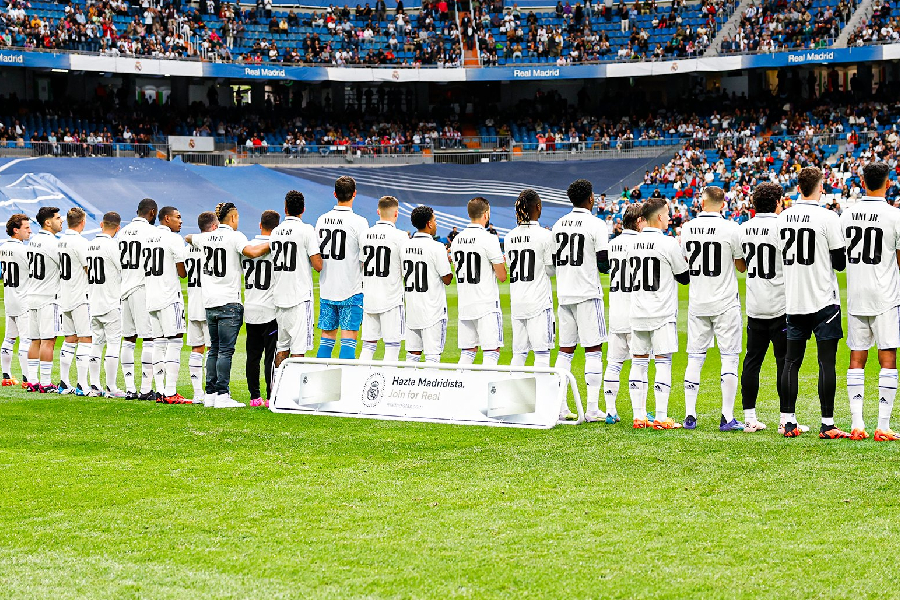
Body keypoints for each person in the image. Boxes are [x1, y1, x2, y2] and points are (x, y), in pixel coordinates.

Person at [778, 166, 850, 439]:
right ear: (820, 188)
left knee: (791, 362)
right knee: (826, 363)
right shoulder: (828, 217)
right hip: (823, 300)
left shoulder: (782, 218)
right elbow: (840, 264)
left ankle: (789, 422)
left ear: (798, 187)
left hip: (794, 300)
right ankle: (827, 423)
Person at [187, 202, 270, 408]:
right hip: (229, 302)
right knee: (225, 350)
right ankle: (222, 394)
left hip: (209, 303)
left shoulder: (204, 237)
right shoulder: (235, 236)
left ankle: (210, 394)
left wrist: (194, 239)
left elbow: (189, 237)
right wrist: (274, 243)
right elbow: (251, 252)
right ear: (232, 217)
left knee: (213, 349)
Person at [840, 162, 900, 441]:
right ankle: (883, 425)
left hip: (856, 295)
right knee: (887, 357)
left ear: (863, 183)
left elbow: (839, 258)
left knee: (857, 357)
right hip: (885, 294)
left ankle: (857, 424)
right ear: (888, 183)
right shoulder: (894, 216)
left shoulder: (847, 215)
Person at [681, 186, 747, 431]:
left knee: (695, 358)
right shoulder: (732, 228)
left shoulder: (686, 229)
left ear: (702, 202)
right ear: (723, 204)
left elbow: (686, 261)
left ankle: (690, 416)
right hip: (725, 302)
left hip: (698, 301)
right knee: (729, 358)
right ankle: (727, 417)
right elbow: (741, 266)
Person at [628, 198, 690, 429]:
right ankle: (661, 417)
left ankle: (639, 416)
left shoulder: (631, 243)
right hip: (661, 311)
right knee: (663, 362)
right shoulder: (668, 243)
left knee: (639, 362)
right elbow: (684, 277)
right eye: (667, 213)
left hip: (637, 310)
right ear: (660, 217)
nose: (669, 216)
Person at [551, 179, 610, 422]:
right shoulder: (596, 224)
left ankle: (561, 407)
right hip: (587, 293)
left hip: (565, 294)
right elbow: (604, 264)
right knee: (593, 350)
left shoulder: (557, 225)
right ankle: (593, 409)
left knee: (565, 351)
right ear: (591, 198)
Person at [740, 182, 790, 433]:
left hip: (755, 305)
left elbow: (740, 265)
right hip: (780, 304)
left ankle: (749, 418)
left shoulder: (744, 228)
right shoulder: (782, 226)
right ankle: (785, 419)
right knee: (784, 362)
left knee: (752, 361)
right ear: (778, 202)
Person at [315, 176, 369, 360]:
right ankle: (347, 386)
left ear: (335, 194)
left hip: (327, 289)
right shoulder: (360, 222)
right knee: (348, 338)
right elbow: (365, 258)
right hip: (351, 289)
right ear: (354, 194)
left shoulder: (322, 220)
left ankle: (321, 384)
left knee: (326, 338)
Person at [450, 197, 508, 367]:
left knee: (468, 353)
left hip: (465, 304)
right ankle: (485, 391)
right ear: (486, 213)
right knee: (491, 353)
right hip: (486, 303)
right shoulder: (489, 238)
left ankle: (460, 390)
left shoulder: (457, 240)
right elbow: (502, 276)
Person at [270, 191, 322, 374]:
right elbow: (318, 265)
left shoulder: (275, 232)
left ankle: (277, 391)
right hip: (299, 297)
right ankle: (293, 396)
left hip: (279, 297)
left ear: (285, 208)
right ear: (303, 209)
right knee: (298, 351)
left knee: (282, 347)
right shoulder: (306, 230)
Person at [505, 189, 555, 371]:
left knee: (519, 354)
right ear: (538, 207)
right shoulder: (545, 235)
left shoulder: (509, 237)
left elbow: (511, 266)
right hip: (539, 302)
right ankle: (542, 397)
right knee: (542, 354)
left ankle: (512, 397)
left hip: (517, 301)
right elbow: (550, 270)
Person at [604, 204, 643, 424]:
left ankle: (610, 411)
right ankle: (639, 412)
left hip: (616, 310)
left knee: (614, 363)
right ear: (639, 222)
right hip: (636, 311)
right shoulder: (640, 244)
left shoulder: (613, 244)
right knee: (640, 363)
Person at [145, 206, 188, 404]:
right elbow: (182, 272)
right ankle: (171, 392)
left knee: (158, 343)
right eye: (178, 217)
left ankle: (161, 390)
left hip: (151, 297)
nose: (180, 221)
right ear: (166, 218)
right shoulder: (173, 239)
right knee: (175, 341)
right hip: (169, 296)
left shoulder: (147, 237)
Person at [117, 198, 159, 400]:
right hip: (142, 287)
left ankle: (130, 388)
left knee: (128, 339)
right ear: (152, 213)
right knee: (149, 338)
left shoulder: (122, 232)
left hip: (124, 288)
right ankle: (145, 389)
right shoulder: (152, 232)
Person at [360, 196, 409, 362]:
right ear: (396, 213)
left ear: (378, 211)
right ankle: (387, 385)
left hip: (369, 297)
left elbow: (361, 264)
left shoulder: (365, 235)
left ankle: (359, 382)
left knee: (368, 345)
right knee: (392, 346)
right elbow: (406, 269)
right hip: (391, 298)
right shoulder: (401, 236)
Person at [403, 206, 452, 364]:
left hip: (411, 308)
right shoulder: (437, 247)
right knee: (432, 355)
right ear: (429, 224)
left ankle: (407, 387)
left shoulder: (404, 246)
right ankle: (430, 389)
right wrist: (447, 260)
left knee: (413, 355)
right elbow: (447, 279)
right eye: (435, 220)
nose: (436, 223)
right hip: (432, 310)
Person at [85, 212, 126, 398]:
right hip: (110, 301)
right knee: (113, 344)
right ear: (118, 228)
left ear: (101, 224)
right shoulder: (113, 246)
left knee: (96, 343)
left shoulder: (89, 245)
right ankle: (111, 387)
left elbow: (86, 270)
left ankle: (94, 386)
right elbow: (123, 271)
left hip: (93, 301)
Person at [243, 210, 280, 407]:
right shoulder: (276, 248)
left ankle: (254, 397)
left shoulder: (247, 246)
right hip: (269, 309)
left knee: (253, 356)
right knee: (270, 356)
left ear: (260, 225)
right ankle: (270, 396)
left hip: (250, 308)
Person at [26, 206, 63, 393]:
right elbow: (65, 268)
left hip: (32, 295)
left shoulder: (32, 241)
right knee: (48, 340)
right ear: (47, 222)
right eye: (57, 218)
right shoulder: (53, 243)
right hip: (48, 296)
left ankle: (32, 381)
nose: (61, 220)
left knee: (35, 340)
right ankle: (46, 383)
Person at [56, 207, 92, 395]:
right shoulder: (81, 242)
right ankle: (82, 385)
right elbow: (89, 270)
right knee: (86, 338)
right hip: (80, 296)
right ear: (83, 222)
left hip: (65, 296)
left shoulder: (61, 241)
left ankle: (64, 382)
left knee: (70, 339)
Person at [184, 212, 217, 406]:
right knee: (213, 349)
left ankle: (198, 393)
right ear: (213, 227)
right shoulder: (212, 246)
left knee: (197, 348)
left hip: (193, 302)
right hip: (209, 303)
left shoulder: (188, 248)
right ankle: (212, 392)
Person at [0, 214, 32, 387]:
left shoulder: (3, 247)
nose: (29, 231)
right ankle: (28, 379)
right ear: (16, 230)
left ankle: (6, 376)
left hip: (9, 297)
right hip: (23, 298)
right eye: (26, 228)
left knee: (9, 338)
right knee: (26, 339)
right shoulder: (24, 250)